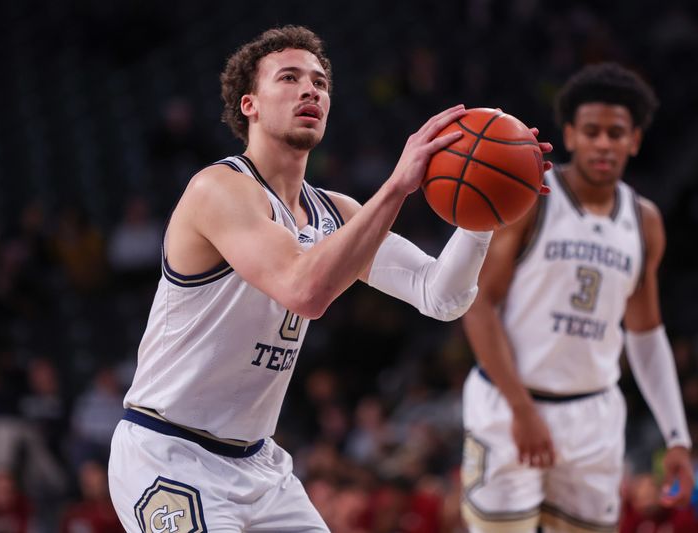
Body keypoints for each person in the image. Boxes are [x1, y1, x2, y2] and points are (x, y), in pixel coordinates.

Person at [108, 25, 550, 532]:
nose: (310, 90)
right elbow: (305, 290)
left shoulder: (333, 212)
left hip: (257, 464)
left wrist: (484, 210)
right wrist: (397, 186)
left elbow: (441, 296)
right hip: (169, 454)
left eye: (320, 82)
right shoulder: (219, 189)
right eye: (289, 78)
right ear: (249, 104)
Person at [460, 62, 694, 533]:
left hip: (594, 416)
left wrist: (677, 437)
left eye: (615, 132)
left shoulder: (644, 220)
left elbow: (646, 337)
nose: (603, 143)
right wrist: (522, 410)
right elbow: (478, 304)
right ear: (570, 134)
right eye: (591, 131)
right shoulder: (532, 199)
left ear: (634, 141)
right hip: (509, 406)